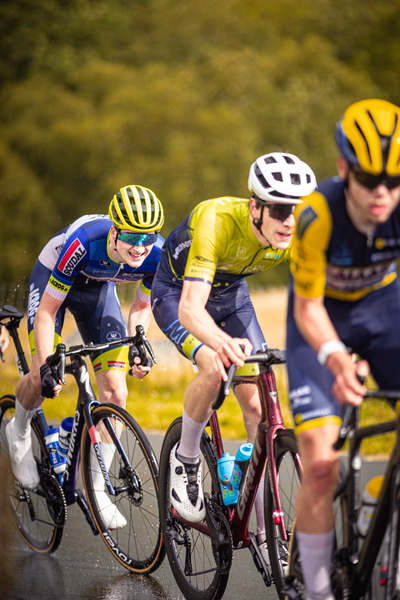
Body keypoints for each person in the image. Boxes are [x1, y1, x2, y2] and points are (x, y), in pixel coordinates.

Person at [151, 152, 316, 561]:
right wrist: (219, 343)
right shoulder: (216, 220)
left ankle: (263, 531)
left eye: (295, 209)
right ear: (255, 207)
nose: (289, 220)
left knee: (260, 404)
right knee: (211, 365)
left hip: (232, 297)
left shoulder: (296, 233)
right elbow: (190, 309)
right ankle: (186, 460)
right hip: (177, 294)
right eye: (279, 209)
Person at [286, 98, 400, 600]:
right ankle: (315, 589)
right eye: (370, 179)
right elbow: (308, 310)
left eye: (394, 182)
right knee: (321, 464)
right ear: (342, 168)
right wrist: (335, 355)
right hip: (321, 318)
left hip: (383, 312)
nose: (382, 193)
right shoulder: (316, 215)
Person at [6, 184, 164, 528]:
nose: (140, 247)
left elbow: (141, 306)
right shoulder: (84, 243)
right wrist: (48, 364)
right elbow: (47, 312)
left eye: (148, 237)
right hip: (53, 284)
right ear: (115, 229)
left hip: (98, 293)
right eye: (133, 237)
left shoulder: (157, 254)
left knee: (116, 392)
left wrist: (139, 341)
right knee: (40, 376)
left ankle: (98, 490)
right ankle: (17, 432)